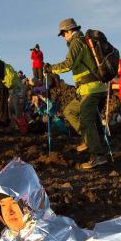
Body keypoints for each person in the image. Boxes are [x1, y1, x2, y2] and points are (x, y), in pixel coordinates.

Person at [47, 18, 108, 170]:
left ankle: (98, 156)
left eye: (62, 34)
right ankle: (88, 140)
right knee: (69, 111)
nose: (63, 38)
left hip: (91, 89)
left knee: (87, 121)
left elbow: (69, 64)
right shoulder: (81, 42)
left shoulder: (77, 42)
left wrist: (50, 68)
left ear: (67, 31)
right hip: (86, 89)